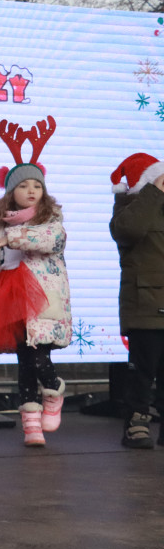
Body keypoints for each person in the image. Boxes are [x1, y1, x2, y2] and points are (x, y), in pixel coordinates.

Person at [0, 117, 71, 448]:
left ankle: (54, 390)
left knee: (39, 355)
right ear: (11, 192)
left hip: (40, 296)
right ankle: (31, 424)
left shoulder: (52, 221)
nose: (31, 191)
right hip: (9, 297)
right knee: (24, 360)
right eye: (24, 186)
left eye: (37, 186)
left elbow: (47, 241)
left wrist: (10, 237)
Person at [109, 152, 164, 449]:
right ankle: (136, 423)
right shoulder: (129, 209)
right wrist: (155, 191)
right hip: (145, 303)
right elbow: (130, 230)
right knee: (143, 370)